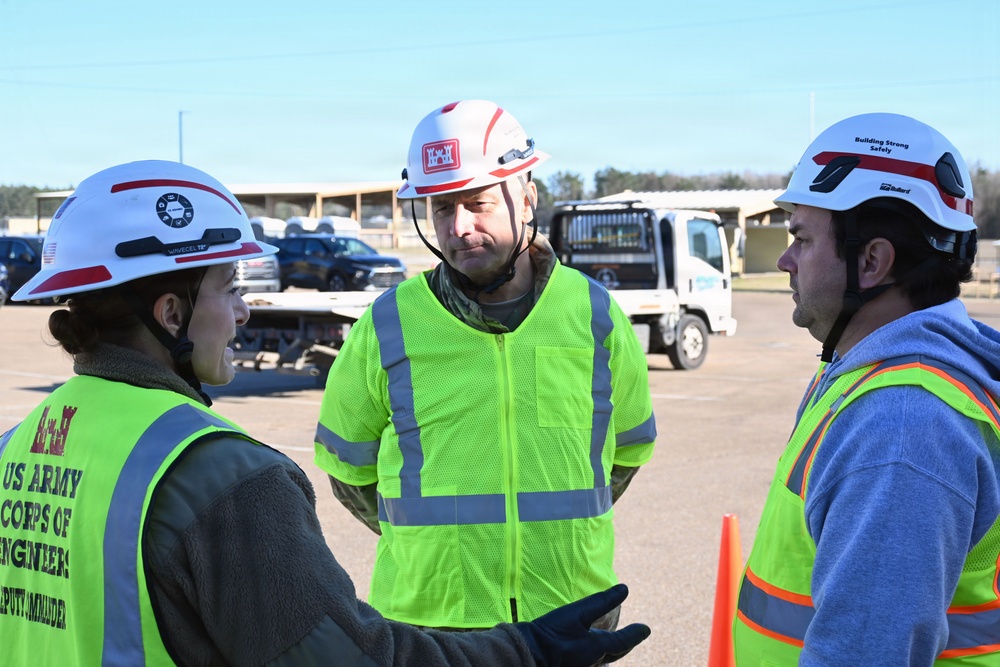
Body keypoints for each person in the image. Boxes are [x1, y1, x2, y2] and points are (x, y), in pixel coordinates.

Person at [0, 159, 650, 665]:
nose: (246, 311)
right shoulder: (222, 478)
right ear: (170, 314)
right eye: (230, 288)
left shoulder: (14, 449)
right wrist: (530, 651)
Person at [314, 99, 657, 632]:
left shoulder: (593, 314)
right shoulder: (388, 325)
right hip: (431, 626)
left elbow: (628, 450)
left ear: (526, 199)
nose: (460, 227)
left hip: (571, 615)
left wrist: (558, 540)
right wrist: (427, 544)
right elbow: (346, 467)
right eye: (443, 209)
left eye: (477, 203)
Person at [732, 113, 1000, 665]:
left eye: (802, 238)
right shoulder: (873, 375)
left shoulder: (902, 425)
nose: (785, 261)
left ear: (872, 261)